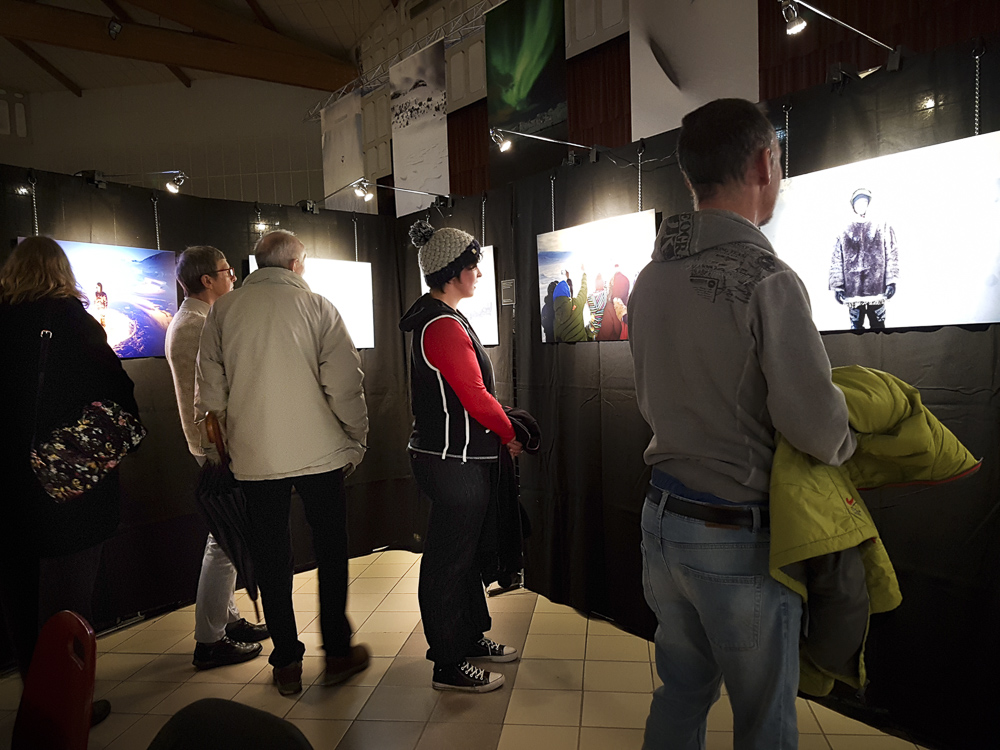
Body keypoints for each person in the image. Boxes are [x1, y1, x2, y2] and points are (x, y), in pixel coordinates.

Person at [629, 99, 857, 749]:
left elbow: (650, 399)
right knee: (764, 722)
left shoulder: (649, 278)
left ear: (689, 176)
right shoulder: (767, 279)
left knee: (681, 694)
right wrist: (854, 432)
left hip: (663, 523)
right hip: (734, 535)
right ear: (765, 162)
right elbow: (819, 429)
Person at [196, 229, 370, 696]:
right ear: (295, 264)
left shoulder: (224, 311)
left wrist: (218, 451)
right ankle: (337, 652)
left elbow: (210, 393)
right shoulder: (318, 307)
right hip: (321, 452)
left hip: (255, 457)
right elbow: (344, 383)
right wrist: (356, 435)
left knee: (271, 557)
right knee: (331, 550)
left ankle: (287, 662)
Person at [0, 236, 142, 726]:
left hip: (8, 494)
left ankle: (38, 702)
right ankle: (66, 710)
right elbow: (119, 400)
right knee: (68, 609)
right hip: (67, 491)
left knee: (19, 602)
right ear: (62, 272)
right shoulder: (73, 323)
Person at [399, 219, 523, 693]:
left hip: (453, 458)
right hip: (453, 462)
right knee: (449, 562)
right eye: (474, 265)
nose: (479, 274)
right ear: (452, 272)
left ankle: (468, 637)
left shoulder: (441, 316)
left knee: (463, 557)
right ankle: (448, 663)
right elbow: (475, 396)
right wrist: (510, 433)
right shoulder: (442, 325)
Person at [164, 246, 269, 671]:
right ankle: (209, 640)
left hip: (214, 447)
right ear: (207, 280)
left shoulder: (193, 319)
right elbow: (210, 400)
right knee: (225, 542)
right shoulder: (196, 325)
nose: (233, 278)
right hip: (218, 449)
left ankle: (227, 621)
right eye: (227, 271)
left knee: (225, 537)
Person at [829, 187, 899, 330]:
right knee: (856, 329)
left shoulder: (882, 225)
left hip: (876, 287)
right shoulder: (844, 229)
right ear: (853, 206)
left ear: (868, 204)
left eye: (864, 202)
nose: (861, 205)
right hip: (853, 289)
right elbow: (837, 258)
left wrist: (891, 281)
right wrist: (838, 286)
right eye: (858, 203)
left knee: (878, 328)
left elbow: (891, 252)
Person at [554, 267, 591, 342]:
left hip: (568, 349)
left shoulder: (555, 320)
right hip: (584, 345)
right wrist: (584, 274)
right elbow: (583, 289)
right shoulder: (576, 304)